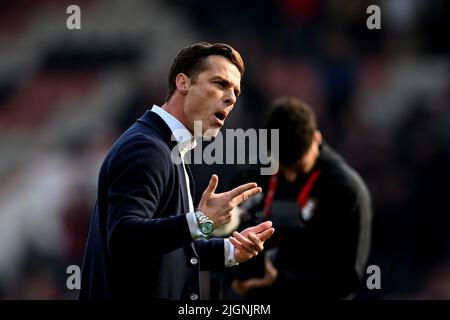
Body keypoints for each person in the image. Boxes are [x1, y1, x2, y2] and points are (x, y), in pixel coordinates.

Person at [79, 42, 275, 300]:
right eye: (220, 84)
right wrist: (201, 221)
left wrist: (229, 250)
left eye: (235, 92)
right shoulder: (146, 148)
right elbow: (124, 239)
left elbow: (165, 249)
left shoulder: (167, 148)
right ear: (183, 83)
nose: (230, 98)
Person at [230, 96, 372, 299]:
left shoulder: (345, 191)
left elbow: (347, 279)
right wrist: (234, 273)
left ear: (317, 138)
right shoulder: (251, 177)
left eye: (298, 166)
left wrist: (279, 280)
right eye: (283, 165)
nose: (290, 176)